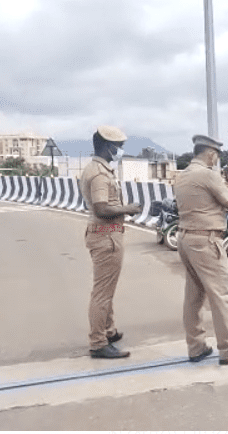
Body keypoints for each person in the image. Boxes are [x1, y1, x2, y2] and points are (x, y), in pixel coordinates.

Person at [174, 134, 228, 365]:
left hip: (185, 238)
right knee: (220, 296)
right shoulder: (208, 174)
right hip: (206, 241)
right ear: (211, 154)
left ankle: (196, 347)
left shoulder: (183, 175)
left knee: (193, 297)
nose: (216, 161)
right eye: (216, 157)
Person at [81, 126, 142, 359]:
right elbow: (102, 207)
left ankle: (108, 330)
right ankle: (98, 342)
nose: (120, 151)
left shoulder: (97, 169)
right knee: (102, 292)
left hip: (104, 233)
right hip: (106, 235)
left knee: (106, 289)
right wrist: (129, 209)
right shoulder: (99, 174)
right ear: (108, 147)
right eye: (118, 147)